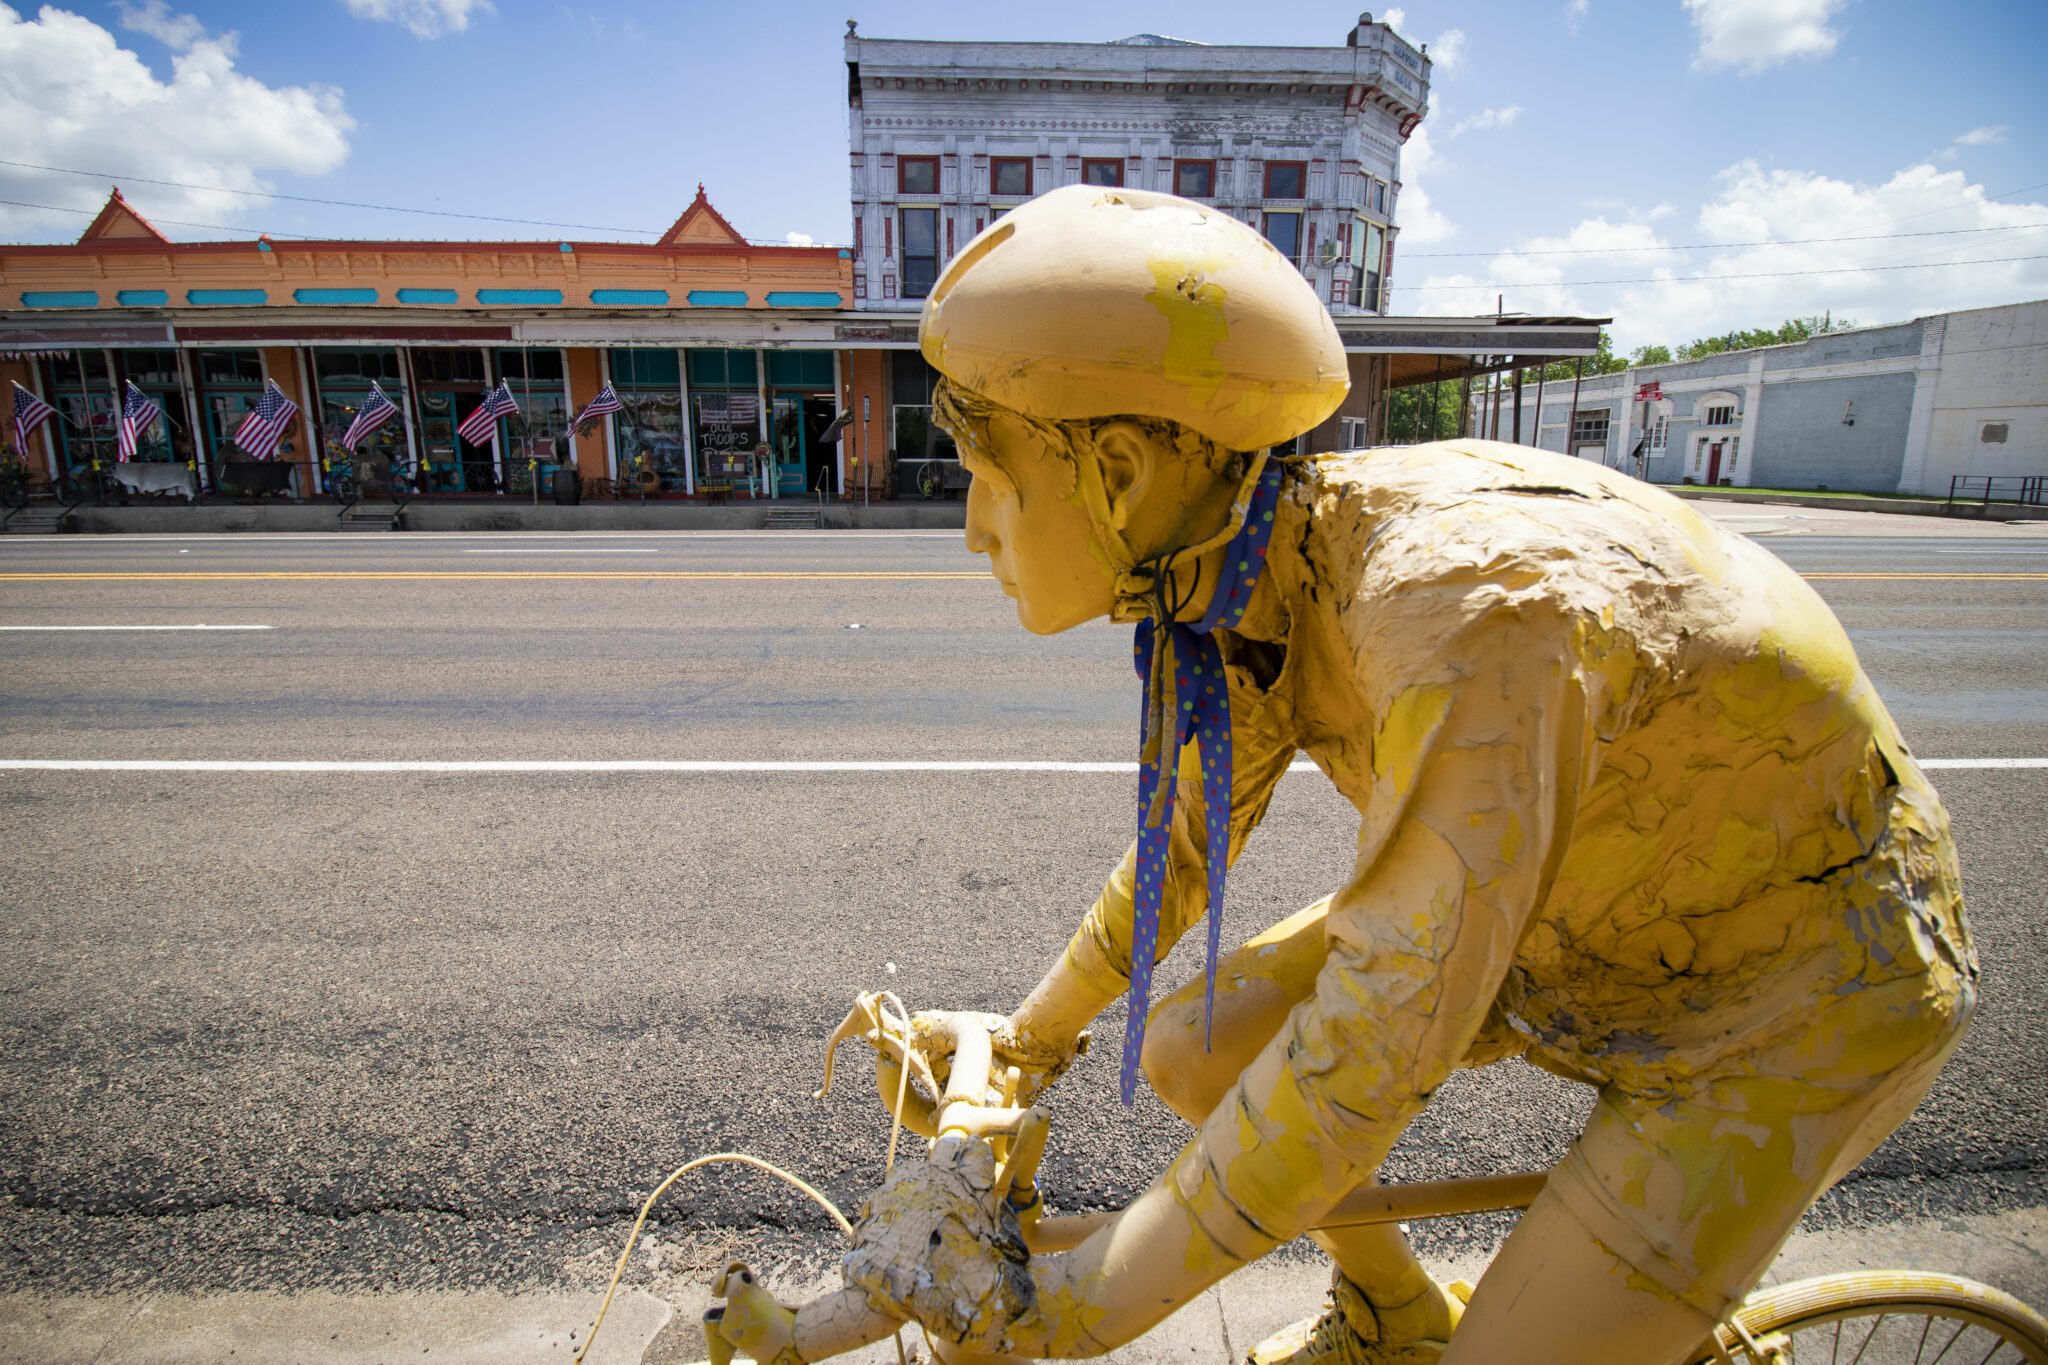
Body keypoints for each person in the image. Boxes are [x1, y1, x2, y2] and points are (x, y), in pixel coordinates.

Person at [845, 185, 1976, 1365]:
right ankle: (1393, 1315)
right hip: (1559, 915)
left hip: (1786, 994)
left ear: (1120, 471)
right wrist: (1027, 1047)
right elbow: (1184, 847)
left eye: (983, 467)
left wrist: (1069, 1315)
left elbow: (1368, 1054)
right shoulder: (1240, 567)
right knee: (1194, 1047)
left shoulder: (1459, 610)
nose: (972, 526)